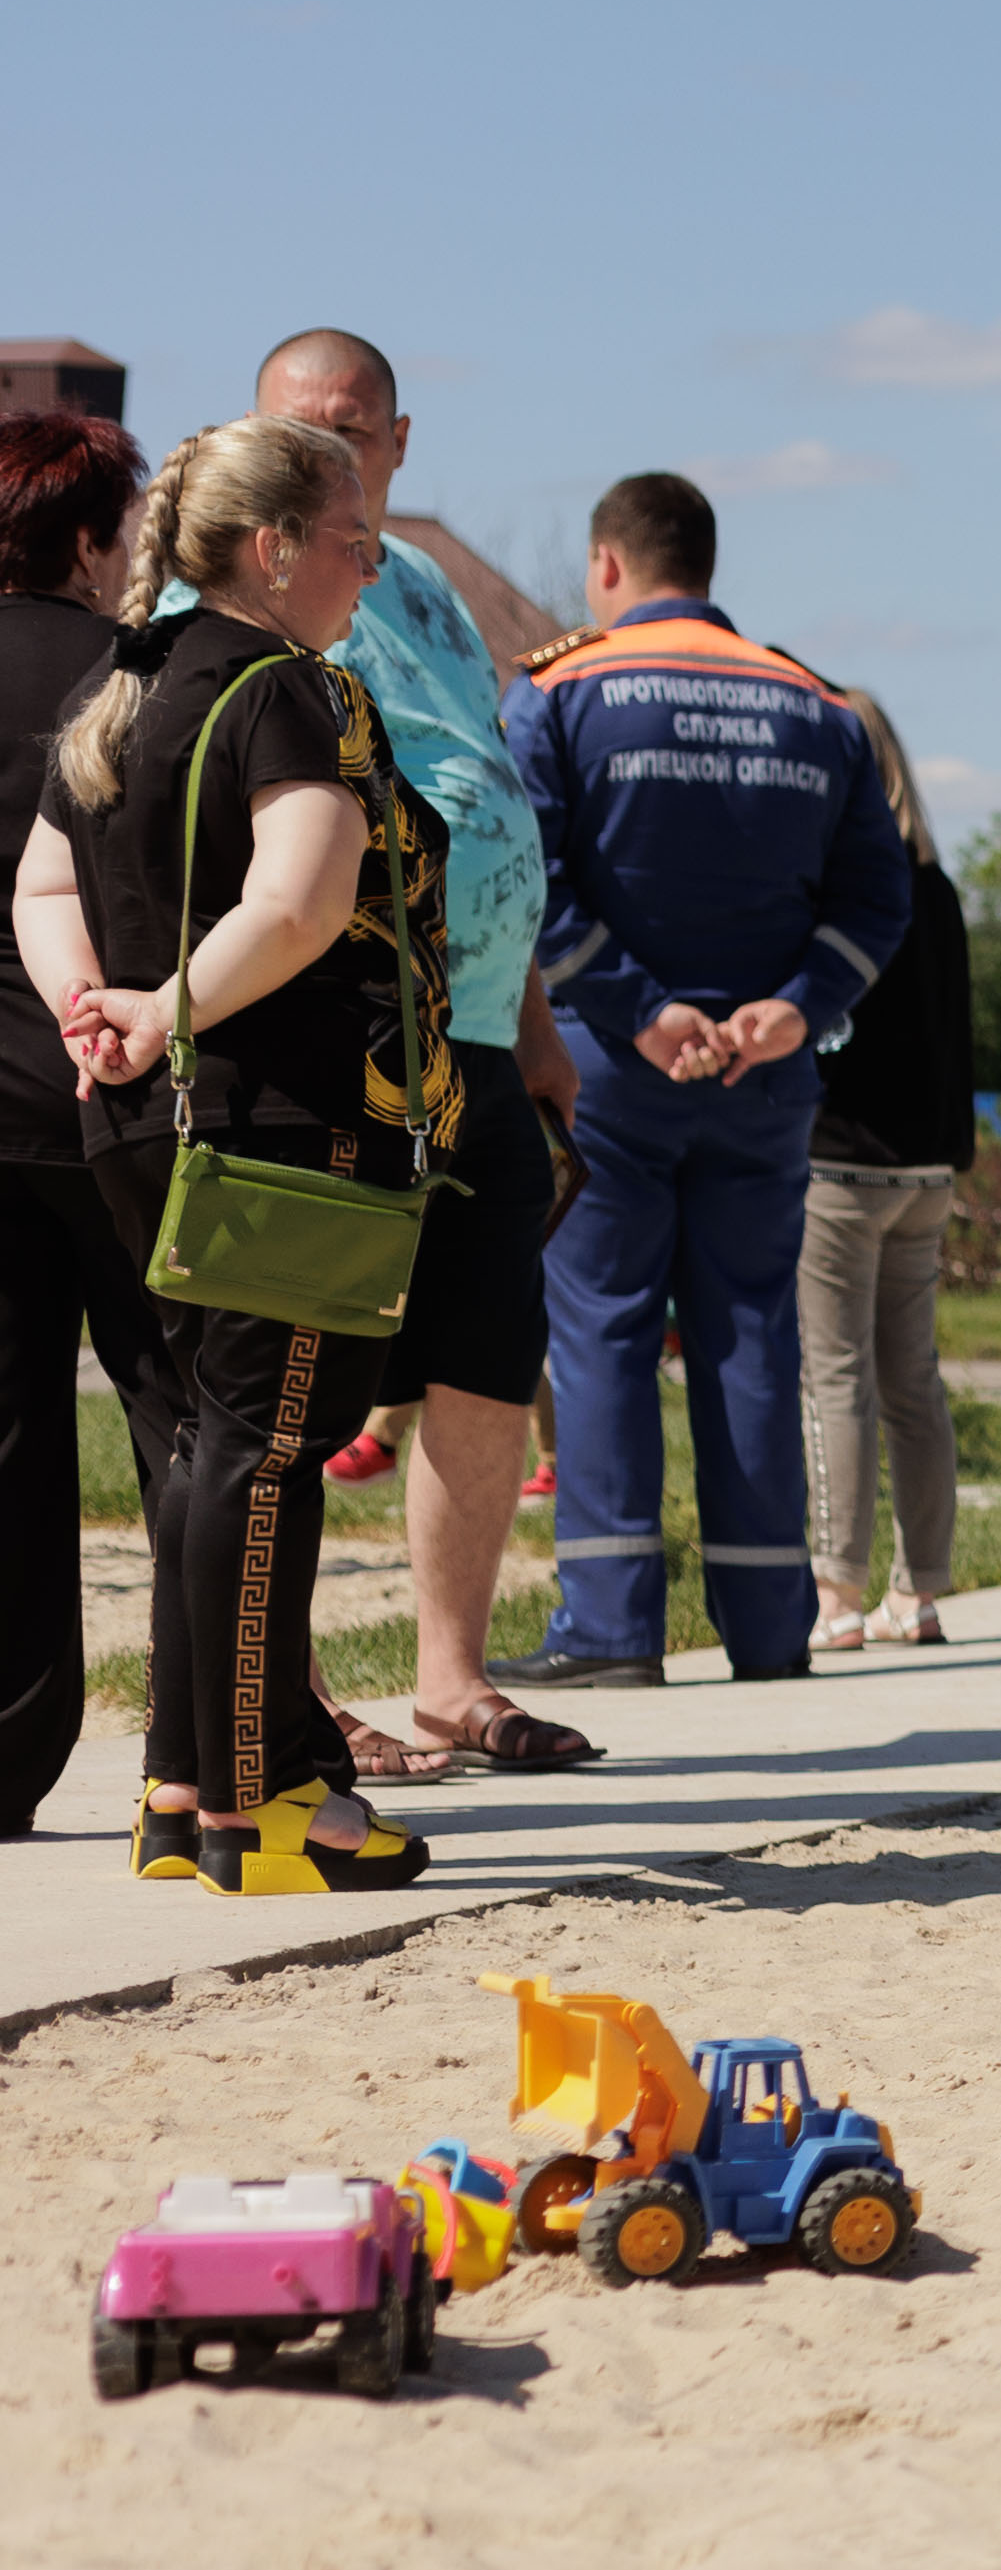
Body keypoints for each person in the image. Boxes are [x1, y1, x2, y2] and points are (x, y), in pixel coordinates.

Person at [11, 415, 457, 1889]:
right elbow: (307, 896)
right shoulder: (283, 687)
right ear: (272, 549)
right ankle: (262, 1803)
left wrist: (103, 1011)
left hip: (145, 1123)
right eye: (348, 540)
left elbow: (38, 877)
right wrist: (169, 1005)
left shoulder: (123, 683)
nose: (366, 561)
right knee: (266, 1453)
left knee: (210, 1441)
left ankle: (182, 1783)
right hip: (276, 1121)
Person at [200, 337, 597, 1786]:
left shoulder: (414, 582)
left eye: (354, 431)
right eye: (300, 431)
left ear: (401, 440)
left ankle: (451, 1677)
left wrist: (538, 1014)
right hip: (350, 1040)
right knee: (300, 1388)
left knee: (487, 1366)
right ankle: (295, 1696)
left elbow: (482, 784)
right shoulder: (237, 588)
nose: (329, 452)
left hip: (481, 1035)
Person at [494, 470, 913, 1691]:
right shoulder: (815, 703)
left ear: (607, 566)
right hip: (767, 1078)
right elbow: (878, 897)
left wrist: (639, 1009)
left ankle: (612, 1630)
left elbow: (531, 871)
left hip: (609, 1070)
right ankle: (770, 1630)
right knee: (750, 1332)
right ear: (707, 565)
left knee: (603, 1332)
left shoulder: (560, 690)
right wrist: (795, 1008)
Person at [0, 409, 166, 1841]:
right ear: (87, 540)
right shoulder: (135, 675)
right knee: (185, 1422)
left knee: (8, 1440)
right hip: (115, 1085)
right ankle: (207, 1747)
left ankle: (6, 1761)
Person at [801, 694, 969, 1652]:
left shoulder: (835, 884)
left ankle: (837, 1594)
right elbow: (957, 1034)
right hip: (928, 1166)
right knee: (914, 1380)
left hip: (840, 1160)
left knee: (835, 1379)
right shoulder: (937, 890)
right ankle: (922, 1593)